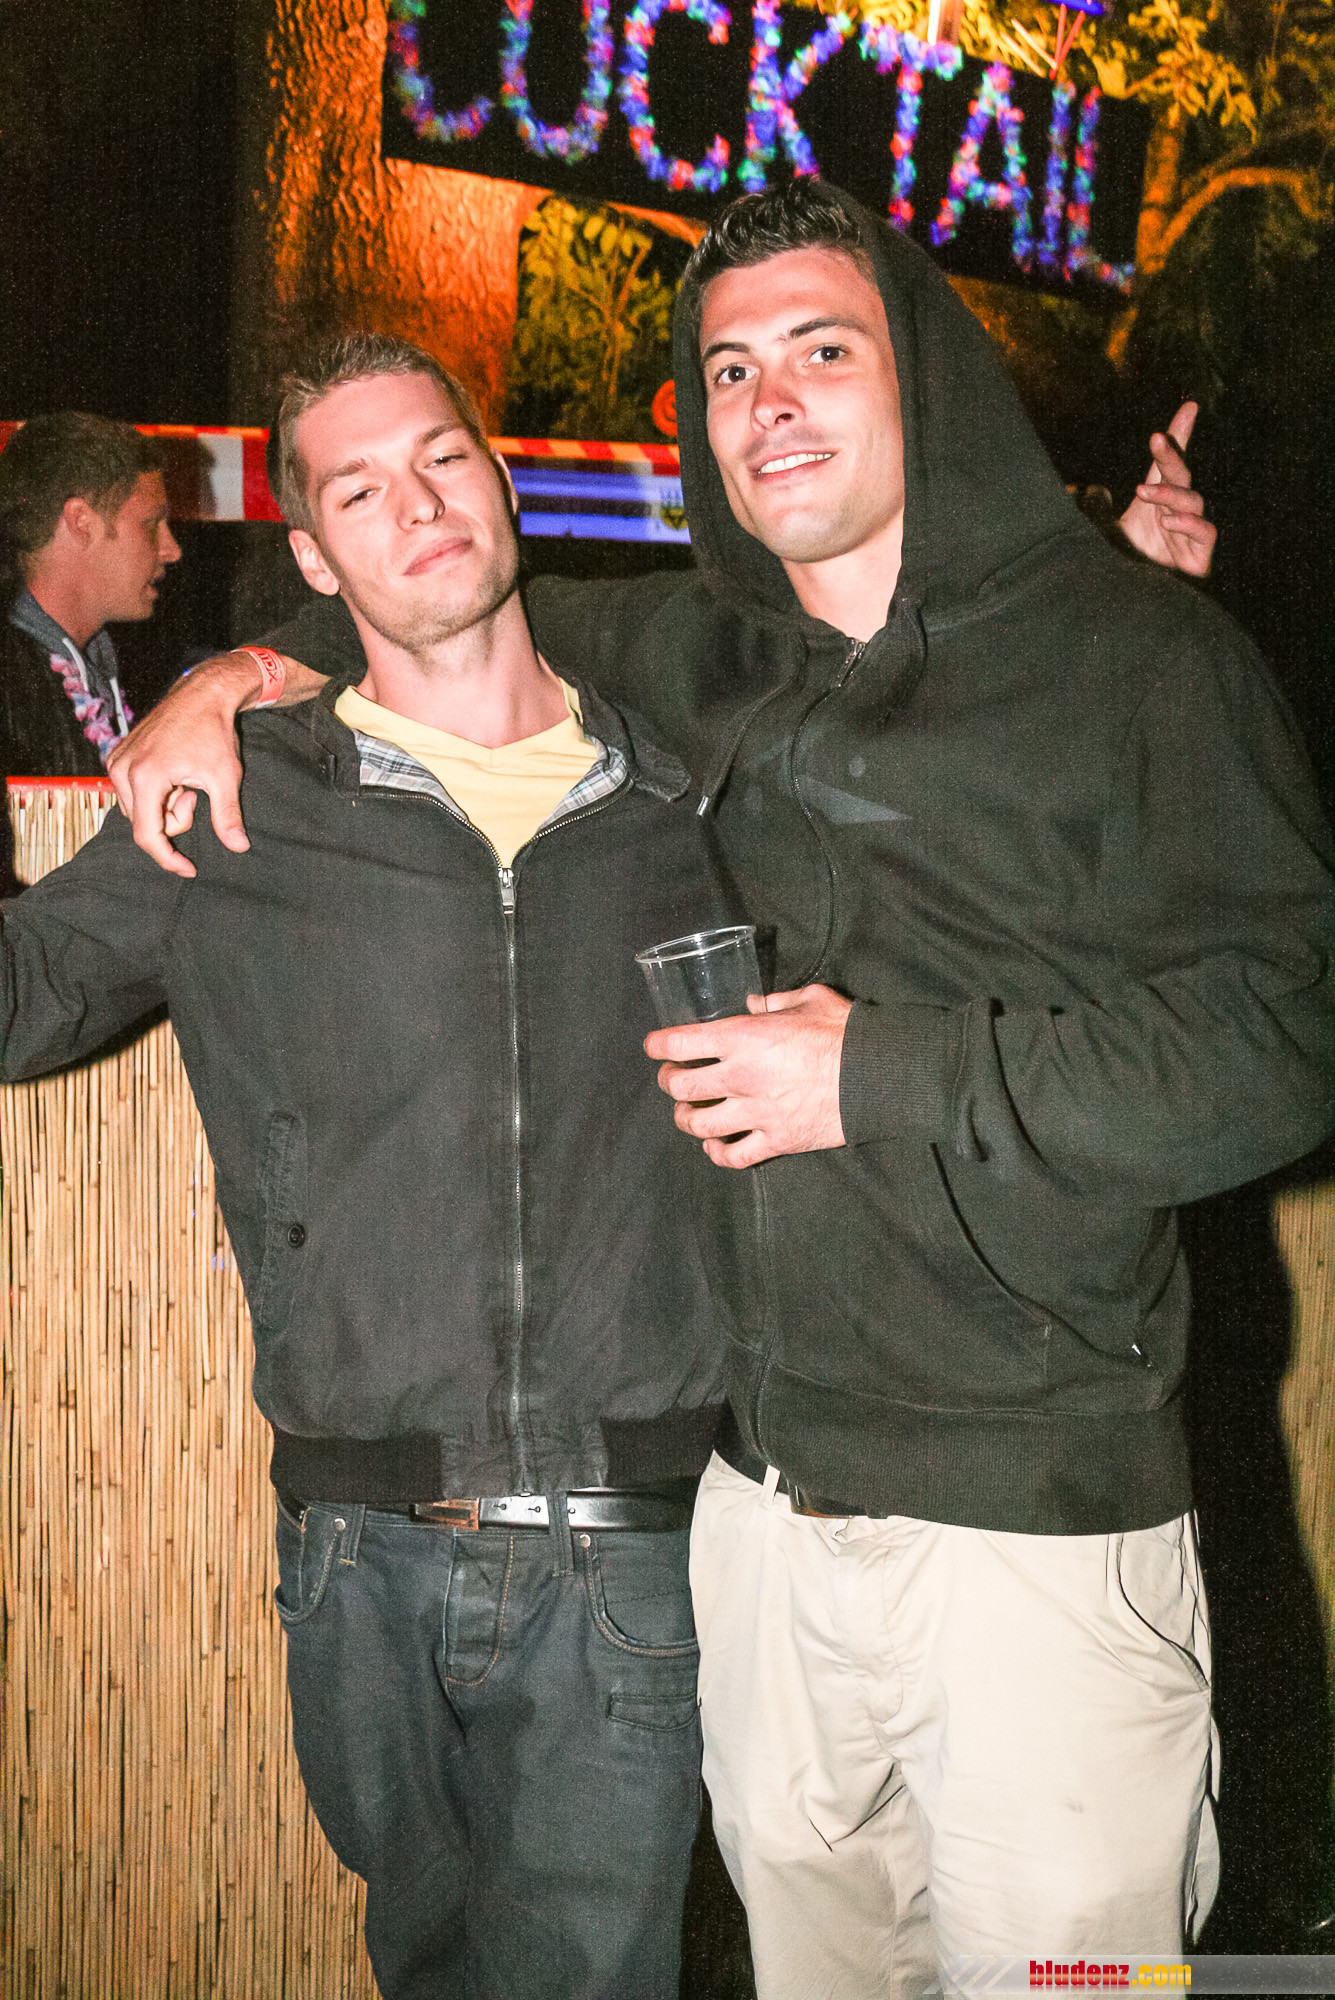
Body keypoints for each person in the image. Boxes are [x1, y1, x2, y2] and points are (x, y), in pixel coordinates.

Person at [103, 186, 1328, 1994]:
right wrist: (221, 679)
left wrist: (879, 1072)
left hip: (1038, 1525)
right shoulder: (694, 649)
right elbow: (437, 599)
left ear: (921, 375)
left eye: (822, 349)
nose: (771, 402)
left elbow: (1285, 1040)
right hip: (753, 1524)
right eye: (730, 368)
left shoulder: (1137, 658)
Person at [0, 334, 737, 2000]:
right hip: (356, 1549)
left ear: (499, 478)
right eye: (357, 490)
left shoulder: (680, 789)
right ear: (314, 560)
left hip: (632, 1536)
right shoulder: (243, 797)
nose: (415, 506)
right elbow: (25, 996)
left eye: (440, 459)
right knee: (427, 1969)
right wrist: (228, 689)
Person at [0, 412, 180, 778]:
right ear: (81, 522)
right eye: (150, 524)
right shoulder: (12, 693)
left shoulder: (92, 659)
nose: (171, 549)